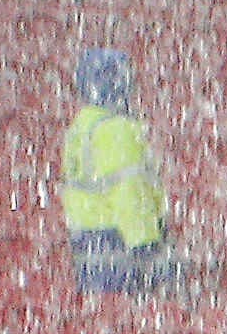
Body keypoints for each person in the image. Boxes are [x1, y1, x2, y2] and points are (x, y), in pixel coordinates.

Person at [59, 48, 172, 297]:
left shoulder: (80, 127)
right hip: (121, 248)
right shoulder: (116, 129)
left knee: (102, 320)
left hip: (88, 250)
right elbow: (129, 193)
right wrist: (147, 246)